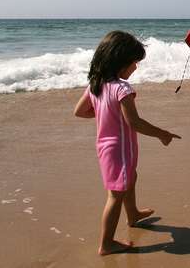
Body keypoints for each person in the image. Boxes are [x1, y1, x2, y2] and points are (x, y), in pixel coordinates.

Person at [73, 31, 181, 256]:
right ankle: (107, 243)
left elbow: (80, 111)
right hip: (121, 149)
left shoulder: (96, 85)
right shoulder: (122, 89)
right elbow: (135, 122)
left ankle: (133, 214)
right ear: (120, 63)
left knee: (130, 177)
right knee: (115, 195)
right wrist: (162, 134)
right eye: (134, 63)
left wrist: (105, 114)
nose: (136, 67)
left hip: (105, 147)